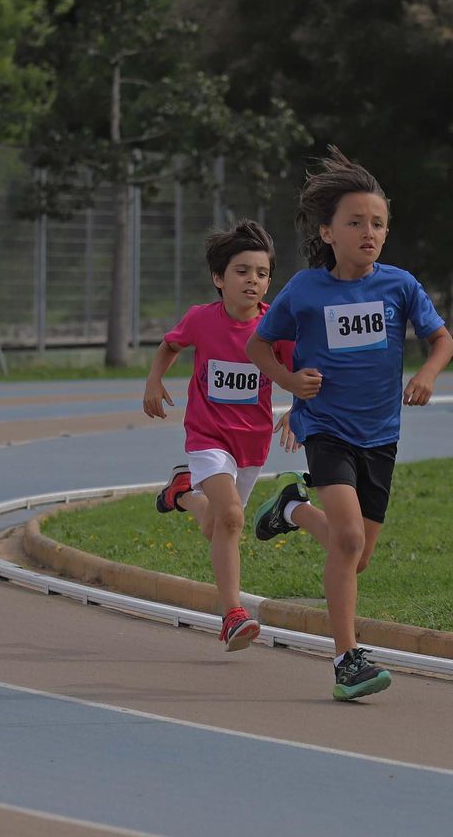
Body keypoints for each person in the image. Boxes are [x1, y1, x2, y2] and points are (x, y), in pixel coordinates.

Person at [245, 147, 453, 700]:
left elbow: (442, 339)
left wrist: (430, 373)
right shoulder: (306, 290)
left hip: (381, 435)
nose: (369, 232)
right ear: (328, 232)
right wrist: (290, 384)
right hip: (327, 429)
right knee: (349, 537)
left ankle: (290, 507)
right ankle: (346, 660)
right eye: (356, 222)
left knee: (355, 555)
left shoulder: (400, 286)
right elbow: (258, 344)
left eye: (378, 223)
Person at [143, 219, 296, 652]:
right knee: (230, 517)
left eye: (262, 273)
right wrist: (155, 381)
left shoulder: (275, 330)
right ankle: (232, 614)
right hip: (208, 436)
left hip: (252, 443)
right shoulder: (201, 320)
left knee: (217, 524)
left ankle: (182, 493)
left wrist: (300, 408)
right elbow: (170, 345)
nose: (253, 281)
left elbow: (298, 373)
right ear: (218, 278)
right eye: (242, 271)